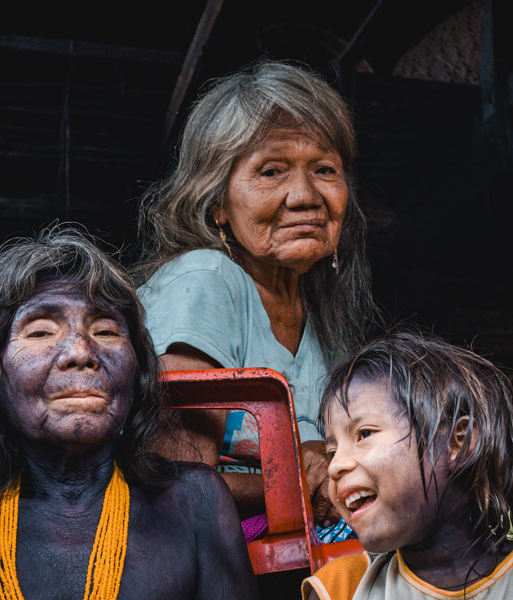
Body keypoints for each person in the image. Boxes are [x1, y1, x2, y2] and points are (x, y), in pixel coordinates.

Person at [0, 228, 258, 600]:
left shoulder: (194, 499)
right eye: (41, 332)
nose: (81, 350)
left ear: (137, 376)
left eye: (107, 330)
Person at [136, 59, 378, 530]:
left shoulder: (325, 311)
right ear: (217, 204)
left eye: (325, 169)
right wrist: (300, 479)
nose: (306, 196)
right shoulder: (206, 279)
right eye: (272, 172)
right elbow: (180, 481)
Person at [302, 332, 513, 600]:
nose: (335, 466)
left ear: (459, 444)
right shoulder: (340, 589)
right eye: (332, 449)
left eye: (364, 434)